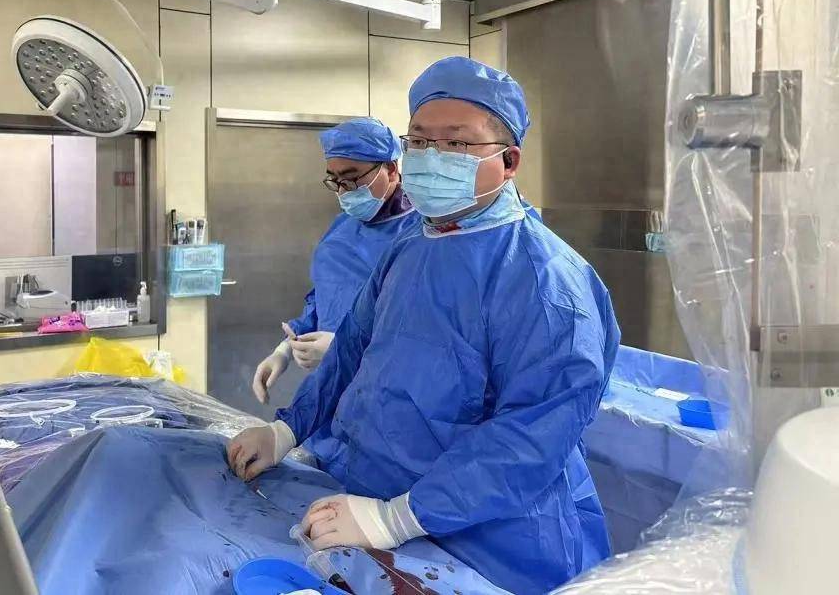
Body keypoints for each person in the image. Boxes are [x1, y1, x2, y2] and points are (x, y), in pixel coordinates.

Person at [227, 57, 620, 595]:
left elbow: (531, 433)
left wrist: (398, 518)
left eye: (456, 143)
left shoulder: (546, 282)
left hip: (492, 537)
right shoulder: (413, 243)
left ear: (509, 161)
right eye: (419, 140)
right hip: (371, 496)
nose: (432, 156)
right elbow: (353, 348)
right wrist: (288, 430)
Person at [252, 117, 421, 474]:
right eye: (335, 180)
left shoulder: (422, 236)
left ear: (392, 169)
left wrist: (348, 347)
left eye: (353, 177)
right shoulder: (342, 228)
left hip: (391, 418)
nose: (344, 191)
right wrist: (285, 349)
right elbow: (325, 295)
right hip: (328, 406)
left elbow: (426, 333)